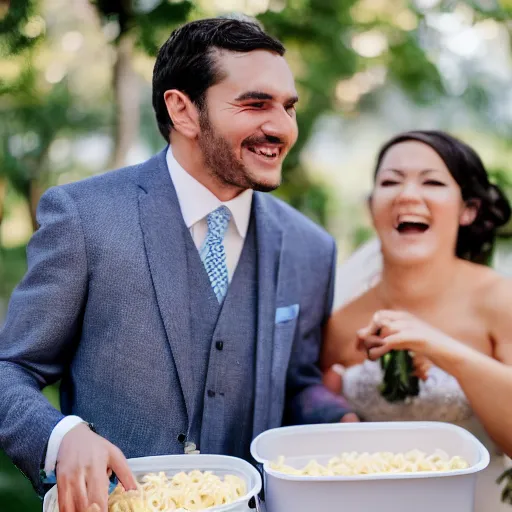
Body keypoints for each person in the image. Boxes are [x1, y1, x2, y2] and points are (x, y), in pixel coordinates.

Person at [0, 17, 356, 512]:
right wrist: (60, 436)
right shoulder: (85, 217)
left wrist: (344, 426)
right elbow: (9, 368)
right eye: (255, 103)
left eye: (288, 107)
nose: (280, 127)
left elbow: (296, 384)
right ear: (183, 110)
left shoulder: (310, 247)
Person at [321, 129, 512, 511]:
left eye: (433, 182)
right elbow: (315, 422)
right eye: (390, 181)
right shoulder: (341, 321)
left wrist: (437, 347)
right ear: (371, 206)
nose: (407, 195)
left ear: (468, 210)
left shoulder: (499, 300)